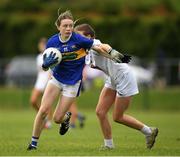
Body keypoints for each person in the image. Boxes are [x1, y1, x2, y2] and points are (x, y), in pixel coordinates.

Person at [27, 10, 129, 150]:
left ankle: (65, 118)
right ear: (58, 27)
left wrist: (112, 54)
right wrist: (45, 65)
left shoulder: (79, 39)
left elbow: (98, 46)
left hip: (73, 84)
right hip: (56, 79)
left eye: (70, 25)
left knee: (57, 118)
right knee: (43, 110)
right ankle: (33, 144)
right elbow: (46, 65)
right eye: (65, 26)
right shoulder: (52, 41)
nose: (68, 28)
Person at [74, 23, 158, 150]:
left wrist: (112, 52)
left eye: (79, 36)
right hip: (112, 78)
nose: (76, 39)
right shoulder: (85, 49)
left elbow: (103, 46)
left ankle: (148, 131)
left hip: (124, 77)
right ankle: (109, 145)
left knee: (118, 117)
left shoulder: (93, 43)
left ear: (89, 37)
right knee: (100, 112)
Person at [30, 37, 52, 129]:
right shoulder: (39, 57)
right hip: (39, 82)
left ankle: (48, 122)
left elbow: (51, 69)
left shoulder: (50, 55)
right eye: (40, 44)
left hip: (48, 82)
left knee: (47, 103)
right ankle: (44, 117)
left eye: (43, 44)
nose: (41, 46)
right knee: (33, 101)